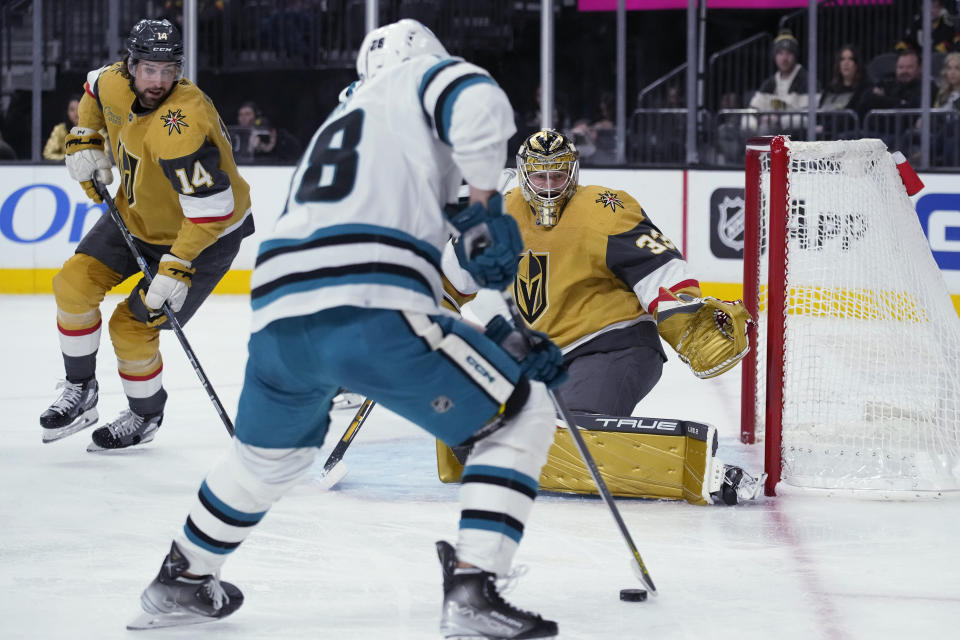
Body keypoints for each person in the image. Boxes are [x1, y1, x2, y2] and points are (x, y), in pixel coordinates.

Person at [130, 19, 566, 638]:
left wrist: (500, 330)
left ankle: (183, 576)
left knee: (265, 463)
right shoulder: (421, 82)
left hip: (280, 316)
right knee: (521, 413)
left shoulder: (347, 125)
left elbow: (453, 267)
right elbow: (479, 103)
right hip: (368, 301)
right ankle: (474, 586)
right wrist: (486, 203)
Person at [439, 130, 762, 506]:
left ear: (573, 173)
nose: (547, 187)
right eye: (539, 176)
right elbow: (446, 281)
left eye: (557, 175)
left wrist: (685, 318)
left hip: (614, 347)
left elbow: (659, 269)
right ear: (524, 174)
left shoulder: (605, 208)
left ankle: (709, 472)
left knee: (571, 438)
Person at [40, 18, 254, 451]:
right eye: (149, 69)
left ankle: (145, 414)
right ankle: (81, 391)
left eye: (168, 69)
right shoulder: (114, 81)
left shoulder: (183, 123)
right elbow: (92, 90)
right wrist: (86, 137)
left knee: (132, 326)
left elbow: (212, 210)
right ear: (131, 64)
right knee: (72, 285)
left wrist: (176, 268)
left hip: (203, 237)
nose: (158, 80)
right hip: (136, 218)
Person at [748, 29, 813, 136]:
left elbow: (808, 118)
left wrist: (778, 120)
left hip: (795, 135)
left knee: (765, 130)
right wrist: (757, 121)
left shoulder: (807, 81)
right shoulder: (769, 83)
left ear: (795, 56)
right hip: (766, 129)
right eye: (780, 53)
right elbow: (753, 109)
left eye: (788, 53)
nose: (784, 58)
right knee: (729, 130)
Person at [42, 96, 81, 161]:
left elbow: (103, 153)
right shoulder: (60, 129)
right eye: (72, 109)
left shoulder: (96, 129)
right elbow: (47, 154)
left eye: (79, 108)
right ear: (67, 112)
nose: (76, 113)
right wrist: (69, 158)